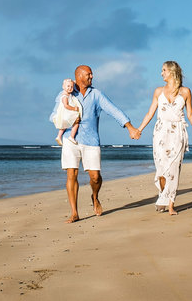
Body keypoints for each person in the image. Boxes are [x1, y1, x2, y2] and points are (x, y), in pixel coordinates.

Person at [50, 65, 141, 223]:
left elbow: (113, 110)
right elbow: (54, 115)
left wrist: (130, 127)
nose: (91, 77)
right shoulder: (66, 93)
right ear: (78, 76)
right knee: (71, 174)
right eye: (88, 75)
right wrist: (69, 118)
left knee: (96, 177)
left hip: (91, 140)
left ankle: (95, 196)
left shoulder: (96, 94)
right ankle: (74, 213)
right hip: (69, 138)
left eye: (92, 75)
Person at [137, 61, 192, 215]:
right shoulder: (158, 91)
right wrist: (139, 129)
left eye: (164, 70)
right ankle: (163, 196)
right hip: (160, 132)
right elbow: (150, 113)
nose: (161, 73)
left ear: (172, 72)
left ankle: (170, 205)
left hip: (177, 133)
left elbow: (190, 115)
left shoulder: (185, 92)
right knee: (161, 168)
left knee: (173, 169)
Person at [52, 78, 81, 146]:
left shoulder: (67, 94)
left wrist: (75, 81)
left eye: (71, 87)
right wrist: (74, 108)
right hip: (67, 113)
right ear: (63, 87)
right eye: (68, 86)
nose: (70, 88)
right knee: (76, 122)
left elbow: (72, 82)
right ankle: (72, 136)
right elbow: (66, 106)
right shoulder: (65, 96)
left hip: (65, 114)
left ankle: (59, 136)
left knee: (64, 126)